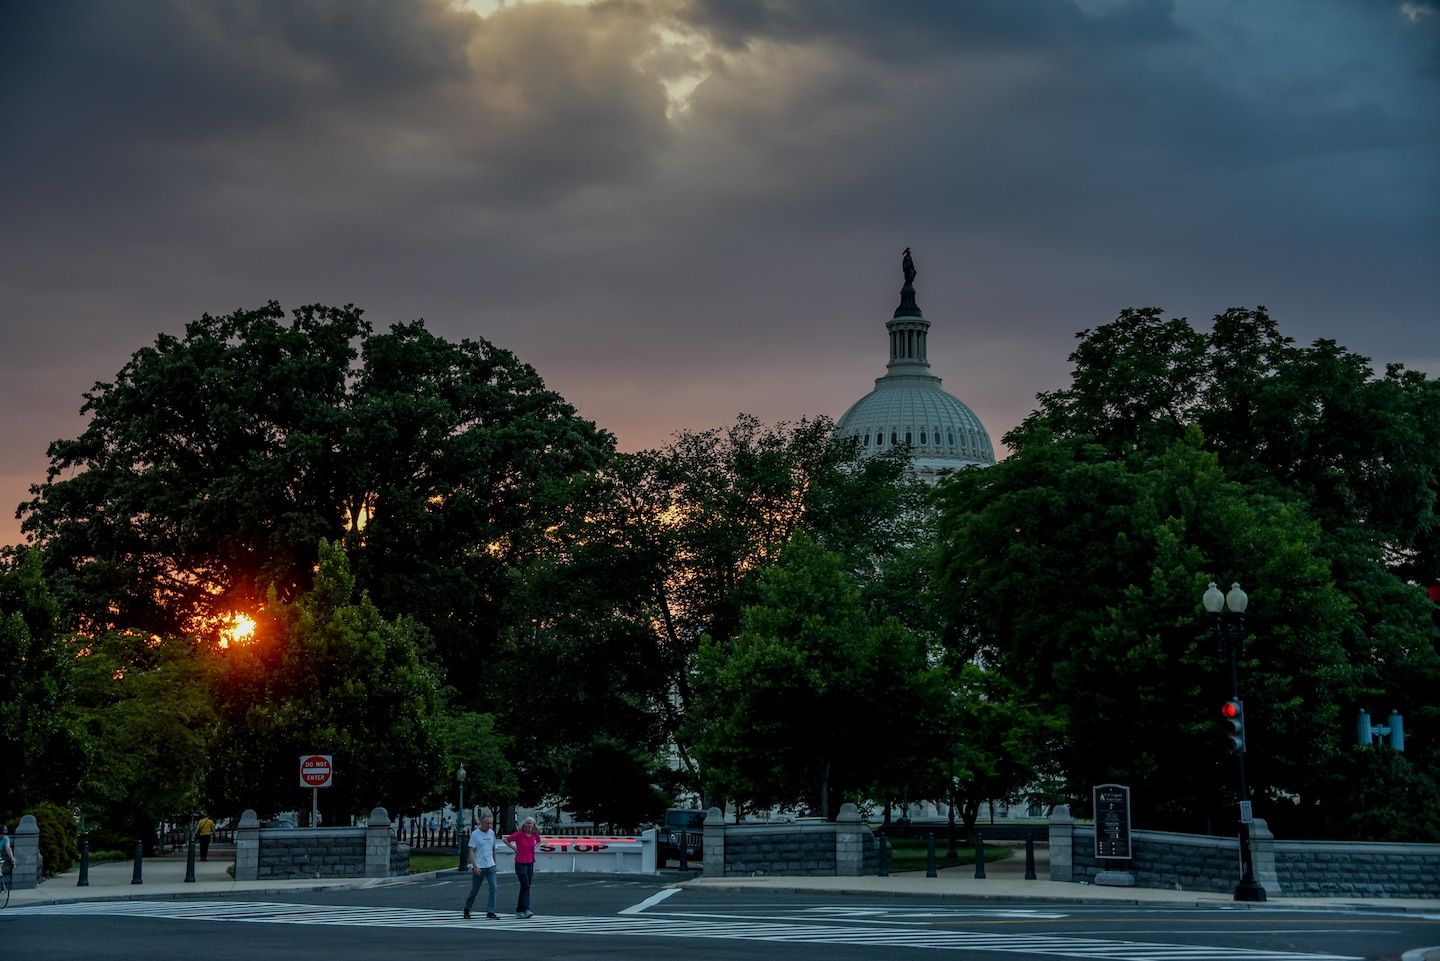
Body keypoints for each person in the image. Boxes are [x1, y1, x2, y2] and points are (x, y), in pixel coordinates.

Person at [501, 816, 541, 918]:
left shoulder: (534, 835)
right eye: (527, 823)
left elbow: (539, 841)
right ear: (524, 825)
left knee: (526, 887)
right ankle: (525, 908)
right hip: (520, 863)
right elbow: (506, 840)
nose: (529, 825)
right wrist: (514, 848)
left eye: (531, 823)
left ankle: (521, 910)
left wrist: (535, 847)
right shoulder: (519, 835)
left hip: (530, 863)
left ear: (533, 826)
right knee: (525, 885)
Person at [463, 813, 499, 920]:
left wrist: (494, 863)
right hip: (479, 866)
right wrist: (474, 865)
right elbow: (472, 851)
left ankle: (491, 911)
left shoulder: (491, 833)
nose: (489, 825)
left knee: (493, 887)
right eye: (487, 823)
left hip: (490, 865)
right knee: (475, 889)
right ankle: (467, 908)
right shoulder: (475, 834)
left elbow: (493, 849)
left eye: (490, 823)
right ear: (482, 822)